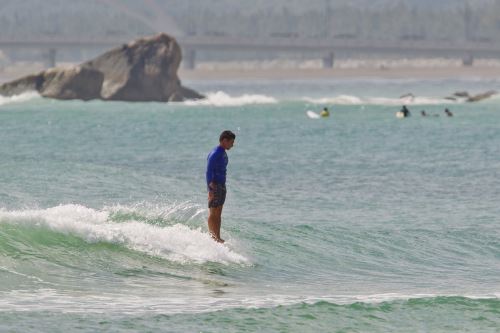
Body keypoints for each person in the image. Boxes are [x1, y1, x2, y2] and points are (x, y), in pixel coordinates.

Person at [206, 130, 235, 243]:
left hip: (221, 186)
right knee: (213, 213)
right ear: (224, 140)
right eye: (231, 142)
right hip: (215, 186)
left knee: (218, 213)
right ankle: (213, 237)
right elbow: (208, 171)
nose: (233, 145)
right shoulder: (215, 153)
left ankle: (217, 236)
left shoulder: (222, 152)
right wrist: (210, 190)